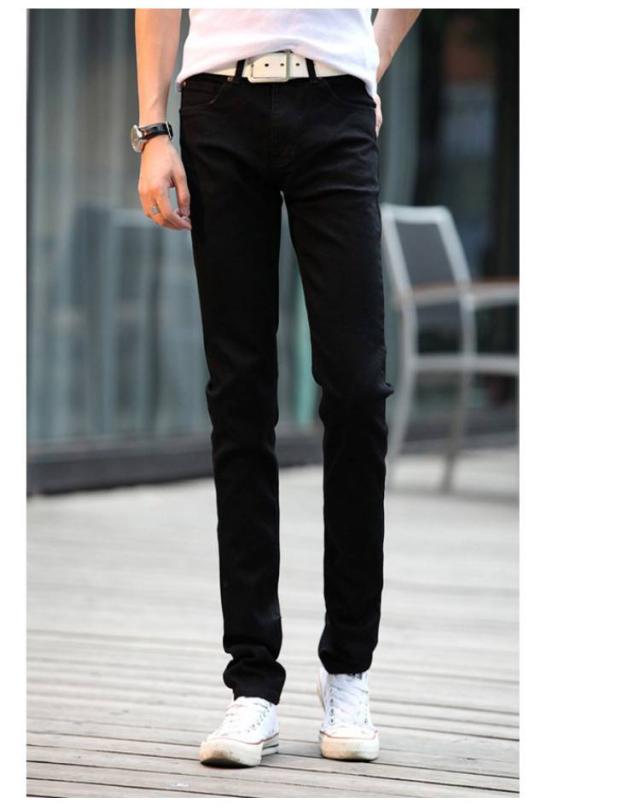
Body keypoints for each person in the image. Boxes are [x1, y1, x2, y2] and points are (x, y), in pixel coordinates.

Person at [133, 7, 421, 767]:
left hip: (336, 105)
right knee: (240, 393)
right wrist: (153, 130)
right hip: (218, 103)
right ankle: (252, 685)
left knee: (357, 389)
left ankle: (347, 671)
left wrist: (370, 61)